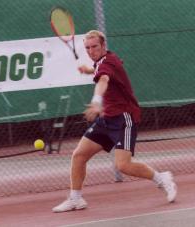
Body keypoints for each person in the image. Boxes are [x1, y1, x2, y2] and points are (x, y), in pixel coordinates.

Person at [52, 30, 177, 213]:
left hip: (123, 118)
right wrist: (89, 69)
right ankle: (76, 199)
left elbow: (103, 79)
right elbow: (102, 70)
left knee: (123, 165)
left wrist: (96, 102)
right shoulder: (107, 60)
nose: (91, 50)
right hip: (107, 119)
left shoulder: (107, 62)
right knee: (79, 155)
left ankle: (162, 178)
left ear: (103, 46)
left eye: (94, 46)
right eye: (87, 47)